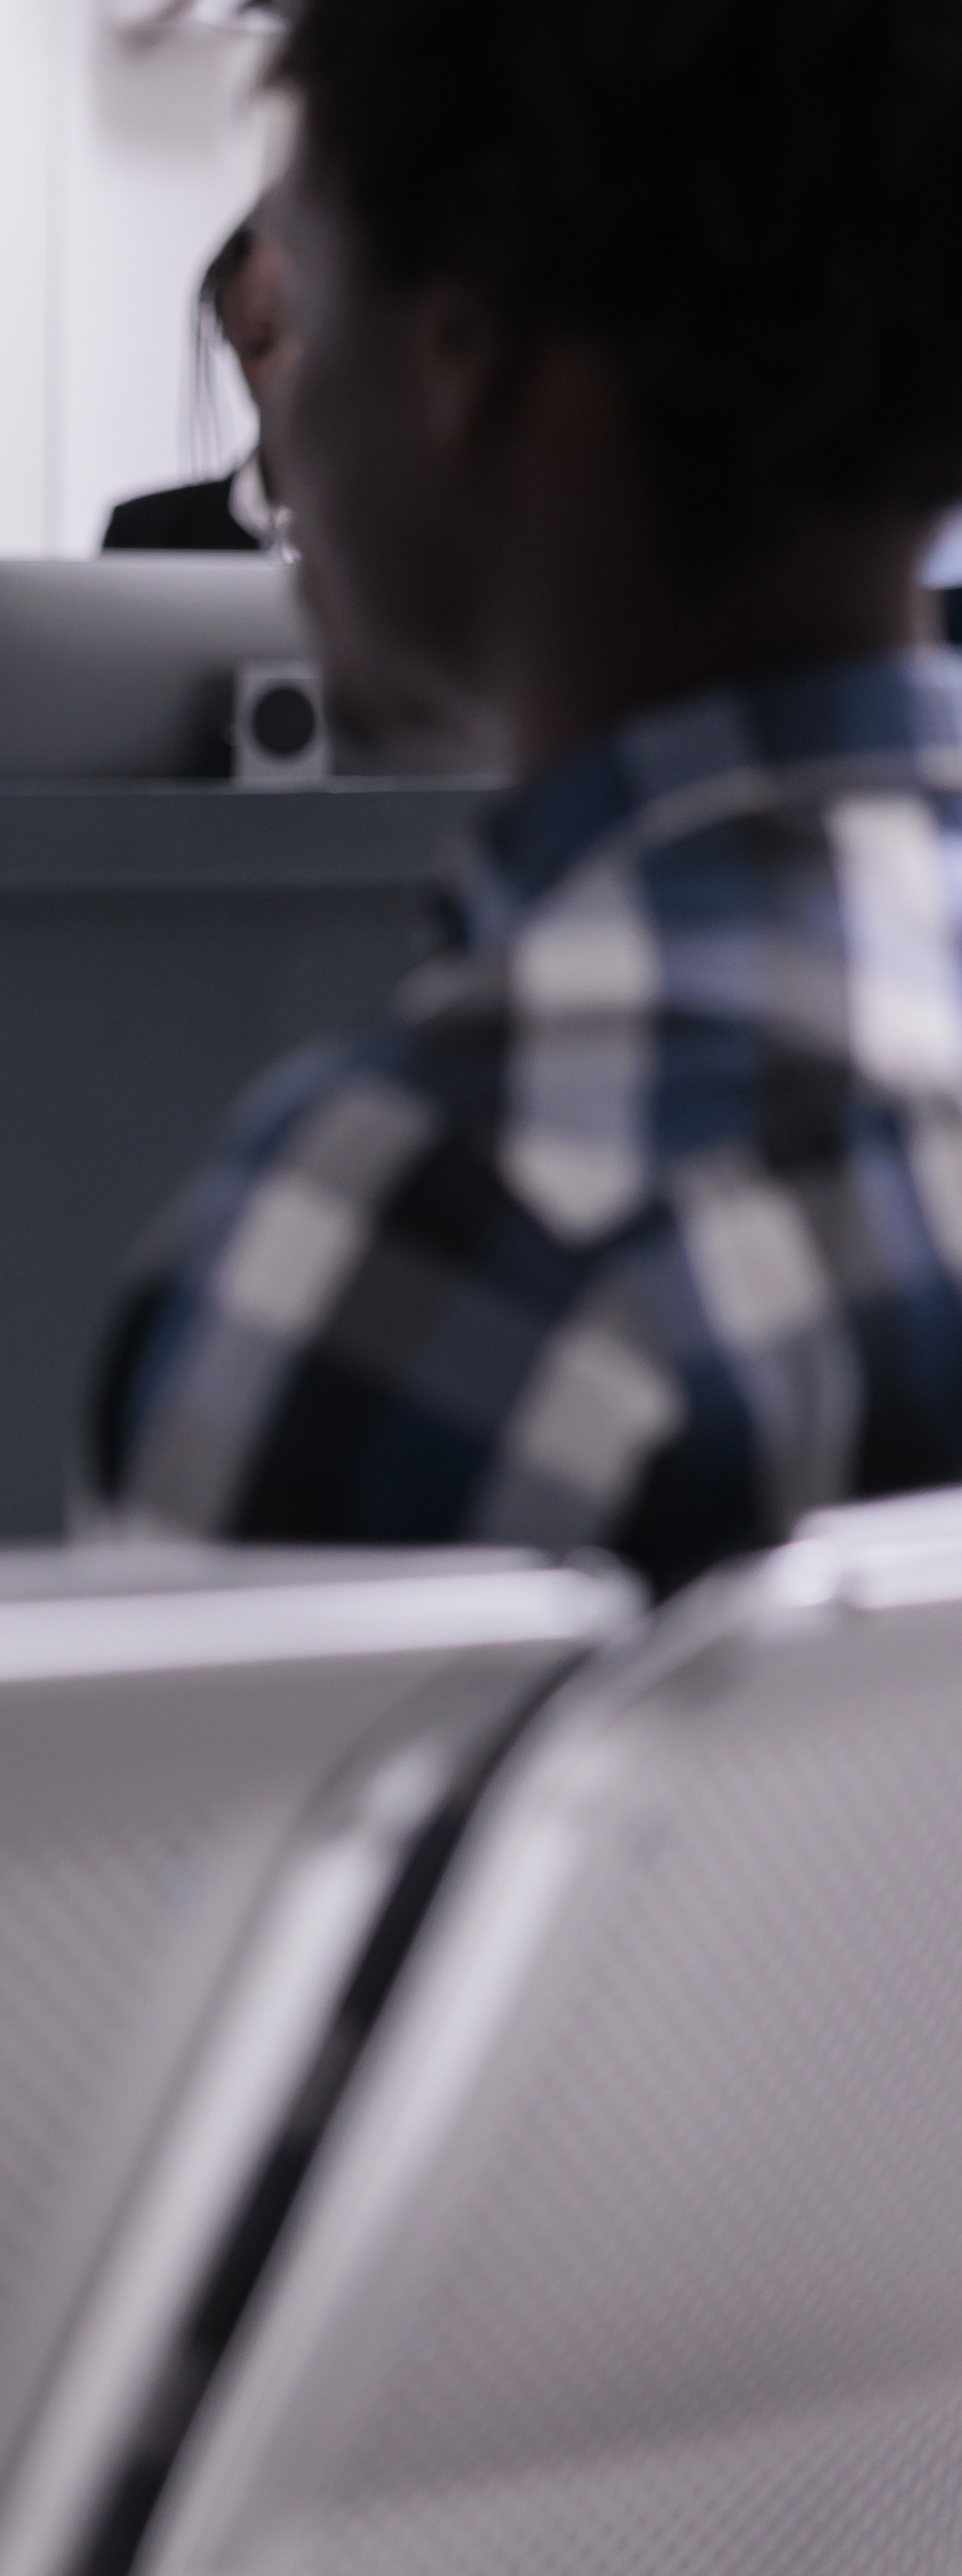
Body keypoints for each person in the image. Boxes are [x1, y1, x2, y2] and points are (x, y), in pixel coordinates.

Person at [86, 0, 962, 1594]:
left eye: (305, 310)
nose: (275, 421)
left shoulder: (439, 1229)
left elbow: (186, 1853)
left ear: (457, 348)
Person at [101, 218, 292, 553]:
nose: (292, 365)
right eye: (261, 345)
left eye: (322, 338)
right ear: (230, 339)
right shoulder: (148, 540)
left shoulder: (410, 540)